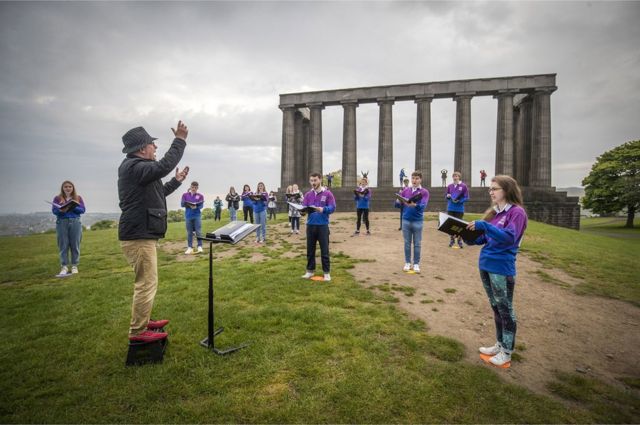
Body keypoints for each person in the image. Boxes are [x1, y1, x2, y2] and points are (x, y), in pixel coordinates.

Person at [118, 122, 189, 343]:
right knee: (146, 283)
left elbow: (160, 192)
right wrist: (180, 141)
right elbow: (164, 166)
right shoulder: (135, 167)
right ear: (141, 149)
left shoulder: (138, 169)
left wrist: (176, 182)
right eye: (152, 145)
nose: (155, 148)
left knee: (149, 281)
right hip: (138, 236)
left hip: (142, 234)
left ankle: (144, 320)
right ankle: (138, 332)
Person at [464, 175, 528, 367]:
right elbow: (485, 239)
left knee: (505, 310)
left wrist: (483, 225)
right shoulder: (496, 213)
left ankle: (507, 352)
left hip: (502, 267)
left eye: (495, 189)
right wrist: (467, 237)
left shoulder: (516, 213)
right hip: (486, 265)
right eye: (490, 189)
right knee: (496, 307)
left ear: (507, 190)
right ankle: (499, 344)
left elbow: (509, 238)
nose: (491, 192)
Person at [301, 172, 336, 281]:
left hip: (322, 226)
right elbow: (304, 207)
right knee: (310, 250)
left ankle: (326, 273)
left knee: (324, 250)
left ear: (320, 180)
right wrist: (302, 212)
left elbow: (333, 207)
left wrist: (324, 209)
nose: (313, 183)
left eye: (315, 180)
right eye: (311, 181)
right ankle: (310, 271)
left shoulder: (328, 194)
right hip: (310, 225)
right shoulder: (307, 195)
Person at [395, 171, 430, 273]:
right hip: (406, 220)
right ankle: (407, 262)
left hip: (417, 221)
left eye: (417, 178)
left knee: (417, 243)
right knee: (407, 243)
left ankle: (416, 264)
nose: (414, 180)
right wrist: (397, 201)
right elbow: (398, 205)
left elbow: (423, 206)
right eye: (413, 178)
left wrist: (416, 205)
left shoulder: (424, 192)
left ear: (420, 179)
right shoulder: (406, 190)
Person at [51, 180, 86, 276]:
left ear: (73, 188)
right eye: (65, 186)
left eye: (70, 186)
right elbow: (54, 211)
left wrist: (72, 206)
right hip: (62, 222)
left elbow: (82, 210)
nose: (68, 188)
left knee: (75, 244)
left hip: (75, 222)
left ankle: (74, 265)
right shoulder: (57, 198)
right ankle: (64, 266)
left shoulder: (78, 198)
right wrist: (62, 209)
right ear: (62, 188)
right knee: (63, 245)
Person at [445, 171, 470, 249]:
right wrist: (448, 196)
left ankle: (459, 240)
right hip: (450, 208)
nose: (455, 177)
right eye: (454, 176)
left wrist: (460, 201)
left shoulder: (463, 186)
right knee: (450, 225)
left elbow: (467, 197)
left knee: (459, 225)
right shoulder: (449, 186)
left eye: (457, 176)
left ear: (459, 177)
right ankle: (452, 240)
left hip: (459, 209)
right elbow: (446, 196)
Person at [181, 181, 204, 254]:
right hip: (188, 216)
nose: (193, 189)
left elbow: (201, 206)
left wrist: (195, 206)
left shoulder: (200, 196)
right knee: (189, 232)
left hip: (197, 215)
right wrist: (189, 205)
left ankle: (200, 246)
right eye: (192, 187)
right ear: (190, 187)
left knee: (198, 231)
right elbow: (182, 204)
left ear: (197, 188)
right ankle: (190, 247)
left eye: (195, 187)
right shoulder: (185, 195)